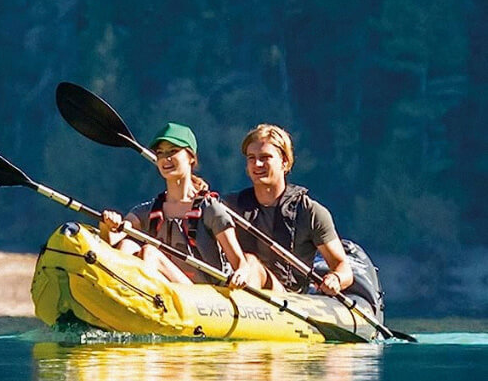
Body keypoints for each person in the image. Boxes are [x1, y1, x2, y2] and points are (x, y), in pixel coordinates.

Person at [98, 122, 252, 288]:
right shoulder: (148, 210)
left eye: (173, 151)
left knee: (150, 253)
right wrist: (108, 225)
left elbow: (240, 263)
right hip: (168, 290)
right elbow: (113, 238)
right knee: (127, 245)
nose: (166, 158)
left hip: (204, 296)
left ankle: (140, 296)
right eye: (161, 153)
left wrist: (241, 274)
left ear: (191, 157)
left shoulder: (211, 209)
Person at [224, 123, 352, 296]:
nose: (257, 164)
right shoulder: (229, 206)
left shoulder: (310, 212)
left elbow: (342, 267)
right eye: (251, 158)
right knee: (249, 263)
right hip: (236, 290)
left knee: (251, 263)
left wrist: (335, 279)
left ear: (284, 162)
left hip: (289, 299)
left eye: (265, 157)